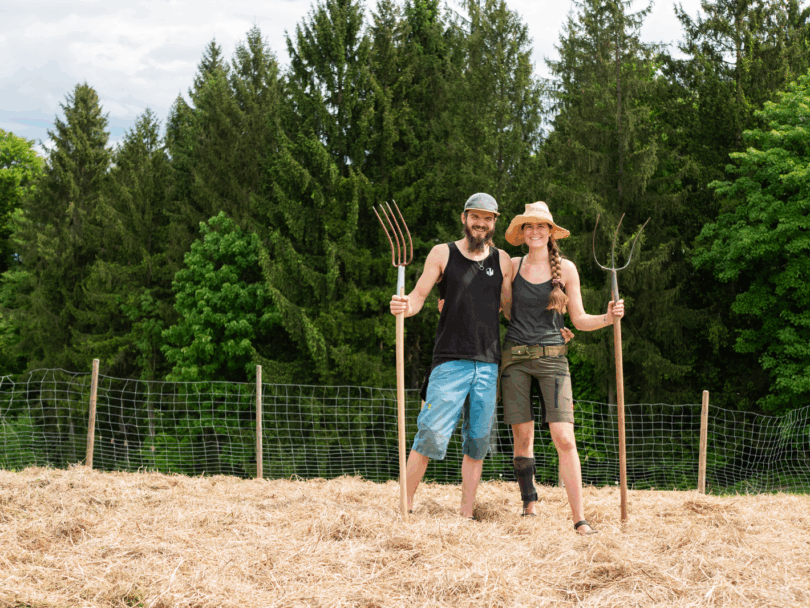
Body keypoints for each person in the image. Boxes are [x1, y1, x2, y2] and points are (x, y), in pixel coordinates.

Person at [499, 201, 624, 535]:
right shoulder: (511, 266)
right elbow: (504, 310)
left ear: (551, 232)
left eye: (542, 226)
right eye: (529, 226)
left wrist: (609, 318)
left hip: (554, 360)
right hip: (515, 359)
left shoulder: (566, 269)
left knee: (564, 437)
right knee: (523, 436)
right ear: (522, 233)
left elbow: (580, 320)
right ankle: (529, 504)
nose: (535, 231)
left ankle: (579, 518)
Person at [389, 193, 512, 519]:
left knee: (477, 443)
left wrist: (552, 325)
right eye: (475, 217)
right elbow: (417, 296)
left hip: (487, 365)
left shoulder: (503, 261)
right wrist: (405, 307)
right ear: (464, 218)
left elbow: (512, 310)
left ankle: (466, 514)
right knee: (429, 435)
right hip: (450, 362)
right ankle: (405, 509)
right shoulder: (443, 253)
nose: (481, 223)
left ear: (494, 222)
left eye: (487, 218)